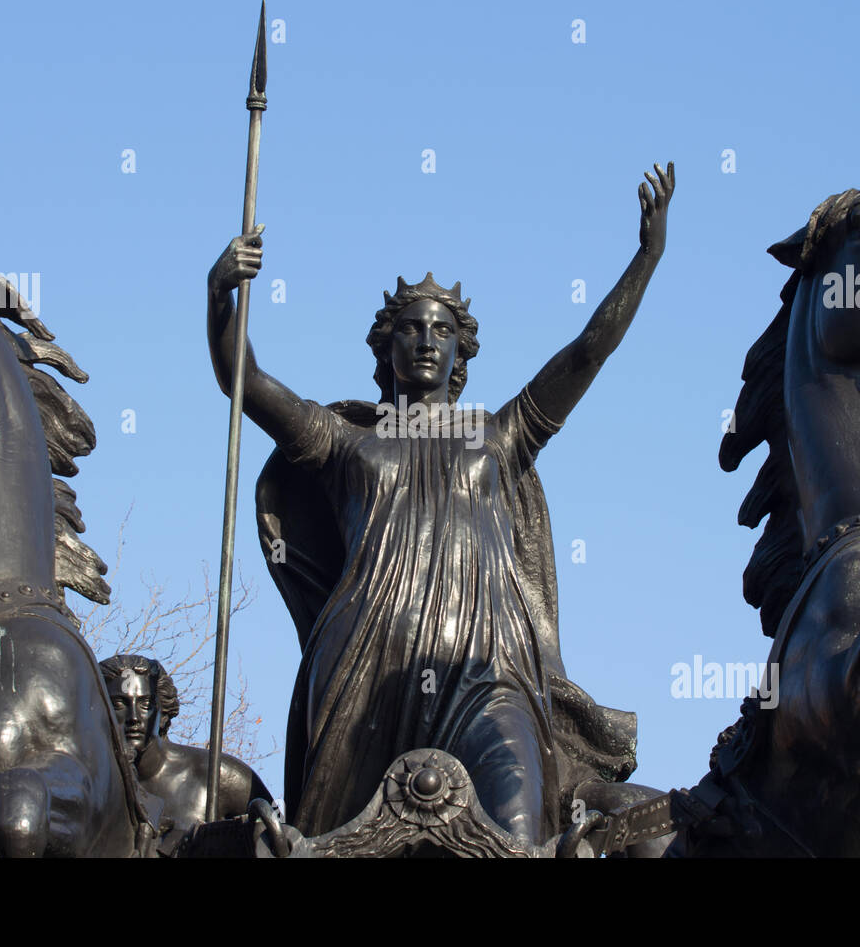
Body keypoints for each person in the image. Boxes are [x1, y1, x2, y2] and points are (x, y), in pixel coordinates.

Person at [207, 163, 674, 844]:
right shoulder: (345, 443)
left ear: (461, 354)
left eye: (440, 330)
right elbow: (243, 379)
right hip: (366, 667)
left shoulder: (500, 436)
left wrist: (647, 257)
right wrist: (221, 295)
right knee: (331, 842)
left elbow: (588, 351)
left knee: (516, 832)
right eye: (411, 328)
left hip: (490, 670)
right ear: (386, 345)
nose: (426, 338)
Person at [99, 654, 271, 847]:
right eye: (119, 705)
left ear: (163, 713)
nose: (134, 718)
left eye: (145, 705)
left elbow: (285, 836)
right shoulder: (87, 784)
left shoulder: (218, 776)